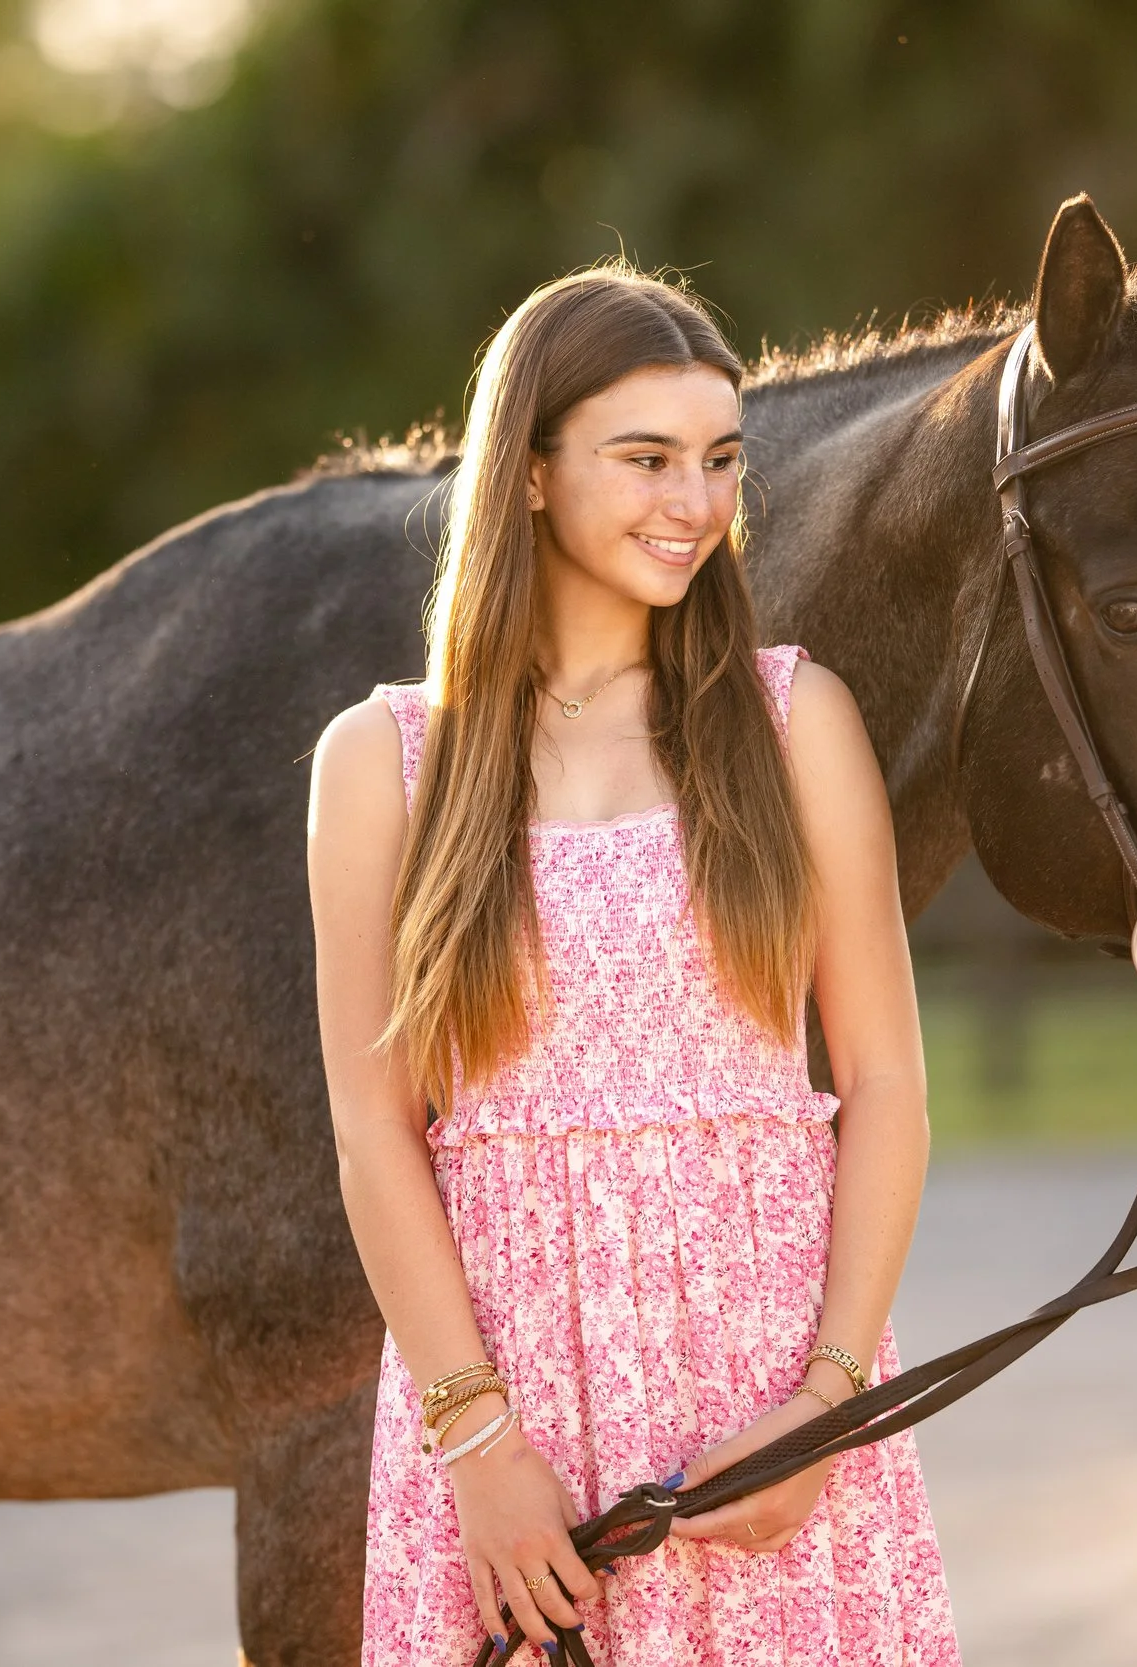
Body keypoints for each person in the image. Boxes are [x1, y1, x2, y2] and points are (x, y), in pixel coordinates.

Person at [306, 263, 960, 1666]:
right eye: (646, 458)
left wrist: (828, 1400)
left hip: (768, 1397)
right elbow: (373, 1125)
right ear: (531, 473)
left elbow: (891, 1082)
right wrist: (478, 1441)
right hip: (512, 1408)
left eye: (721, 459)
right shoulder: (385, 763)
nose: (695, 501)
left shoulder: (796, 723)